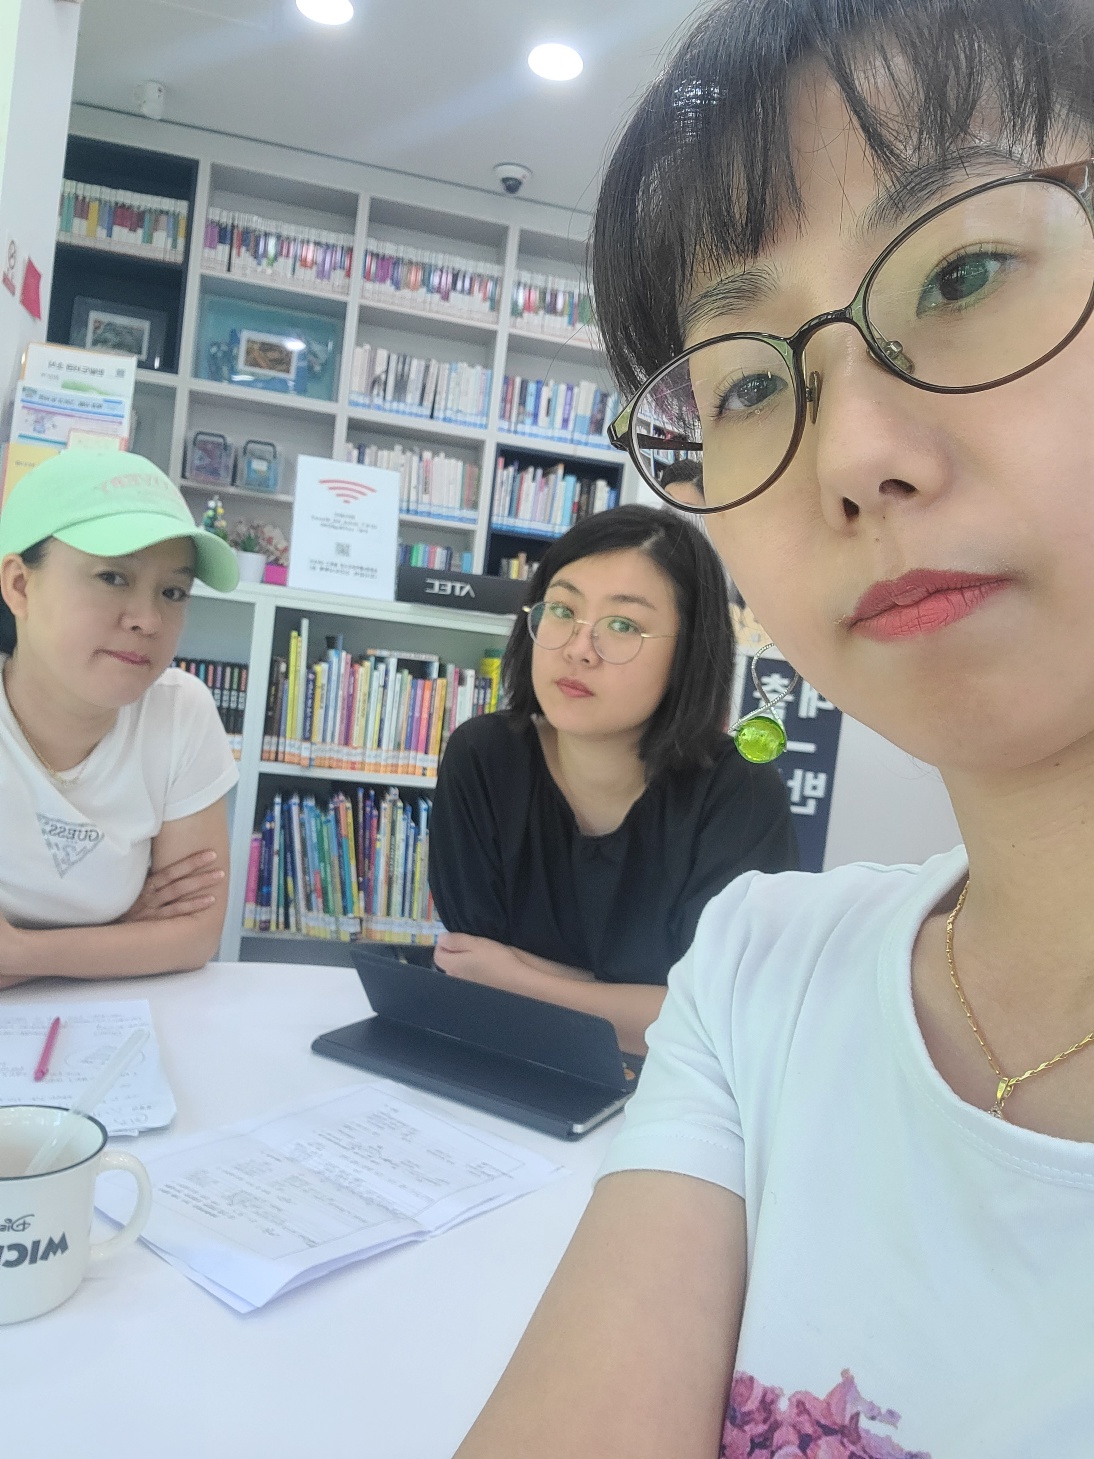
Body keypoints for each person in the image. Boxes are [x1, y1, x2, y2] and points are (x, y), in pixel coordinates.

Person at [454, 0, 1094, 1454]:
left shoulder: (730, 841)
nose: (850, 452)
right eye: (746, 383)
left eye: (963, 270)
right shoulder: (763, 968)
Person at [429, 504, 797, 1054]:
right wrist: (649, 1003)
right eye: (562, 610)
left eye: (623, 625)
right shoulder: (484, 759)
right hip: (504, 1063)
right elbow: (471, 972)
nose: (579, 649)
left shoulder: (740, 794)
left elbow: (727, 1024)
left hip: (673, 1094)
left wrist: (517, 978)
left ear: (688, 652)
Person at [0, 448, 240, 990]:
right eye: (112, 577)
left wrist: (18, 950)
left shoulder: (180, 712)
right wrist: (121, 935)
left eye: (173, 592)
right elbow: (165, 942)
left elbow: (193, 937)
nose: (148, 620)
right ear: (19, 585)